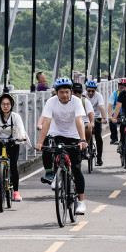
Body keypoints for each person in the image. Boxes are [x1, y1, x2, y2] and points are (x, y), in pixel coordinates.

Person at [36, 77, 88, 215]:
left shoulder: (76, 102)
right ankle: (56, 176)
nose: (64, 95)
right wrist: (40, 142)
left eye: (67, 92)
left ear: (70, 92)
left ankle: (81, 202)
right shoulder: (51, 102)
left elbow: (79, 120)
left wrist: (82, 139)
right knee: (51, 149)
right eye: (61, 92)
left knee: (76, 168)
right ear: (56, 93)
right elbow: (46, 122)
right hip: (57, 133)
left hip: (74, 135)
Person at [0, 92, 28, 201]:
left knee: (13, 165)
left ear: (12, 105)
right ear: (0, 105)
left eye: (8, 104)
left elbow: (21, 128)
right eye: (3, 104)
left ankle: (16, 192)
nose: (6, 106)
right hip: (0, 141)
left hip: (13, 143)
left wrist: (21, 136)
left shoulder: (15, 116)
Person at [83, 80, 108, 163]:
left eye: (92, 91)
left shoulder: (98, 96)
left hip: (97, 117)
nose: (90, 93)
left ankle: (99, 157)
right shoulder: (83, 96)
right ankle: (84, 150)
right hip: (85, 118)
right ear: (86, 89)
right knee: (82, 136)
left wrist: (104, 118)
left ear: (95, 90)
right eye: (88, 90)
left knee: (98, 137)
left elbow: (101, 107)